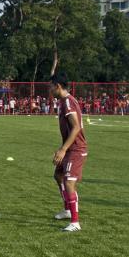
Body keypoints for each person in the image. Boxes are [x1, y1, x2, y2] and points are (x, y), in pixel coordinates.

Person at [49, 74, 87, 232]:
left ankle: (75, 222)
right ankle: (67, 210)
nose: (49, 90)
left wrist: (63, 149)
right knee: (58, 176)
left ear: (58, 86)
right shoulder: (64, 102)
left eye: (51, 86)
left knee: (69, 182)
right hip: (69, 148)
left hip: (76, 149)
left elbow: (76, 127)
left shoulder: (68, 102)